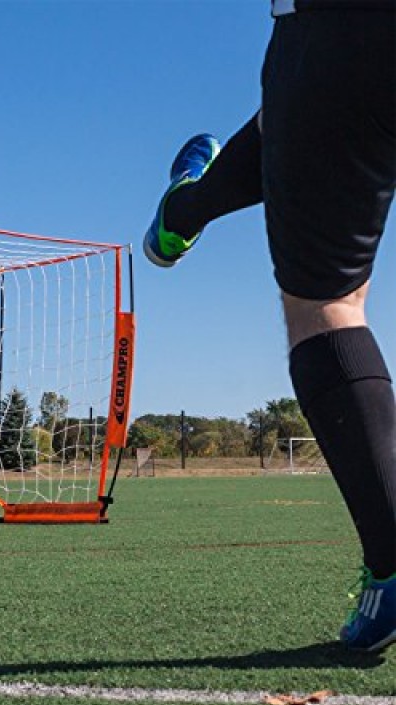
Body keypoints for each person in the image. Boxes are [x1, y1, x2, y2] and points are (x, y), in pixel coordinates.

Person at [144, 0, 396, 652]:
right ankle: (184, 211)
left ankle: (183, 210)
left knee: (328, 304)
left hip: (342, 31)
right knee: (297, 126)